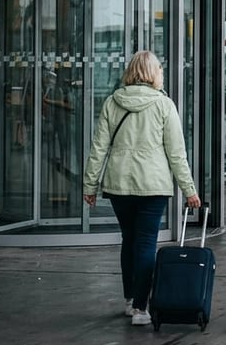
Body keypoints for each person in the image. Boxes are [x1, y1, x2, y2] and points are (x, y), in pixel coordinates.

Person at [82, 51, 200, 327]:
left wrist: (90, 184)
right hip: (152, 184)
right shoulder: (164, 105)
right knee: (146, 242)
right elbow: (176, 153)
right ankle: (140, 307)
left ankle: (128, 299)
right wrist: (189, 189)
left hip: (119, 182)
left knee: (129, 239)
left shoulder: (113, 102)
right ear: (154, 73)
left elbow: (99, 148)